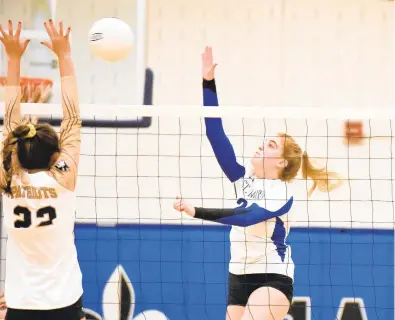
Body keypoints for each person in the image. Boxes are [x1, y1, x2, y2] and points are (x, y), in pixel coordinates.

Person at [173, 46, 341, 320]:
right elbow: (214, 132)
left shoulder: (282, 193)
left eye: (271, 145)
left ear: (282, 162)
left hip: (272, 276)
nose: (263, 145)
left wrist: (197, 211)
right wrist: (208, 82)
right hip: (238, 275)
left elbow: (246, 218)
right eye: (265, 141)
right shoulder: (243, 177)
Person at [0, 20, 85, 320]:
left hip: (22, 306)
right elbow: (73, 120)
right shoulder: (63, 178)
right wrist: (65, 56)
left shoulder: (10, 179)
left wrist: (12, 59)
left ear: (18, 154)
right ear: (55, 158)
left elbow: (10, 124)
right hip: (64, 304)